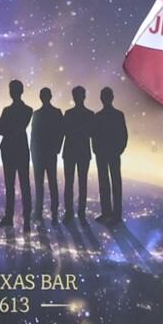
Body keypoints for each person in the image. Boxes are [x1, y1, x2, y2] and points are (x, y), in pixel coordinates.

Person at [0, 80, 33, 227]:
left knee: (12, 185)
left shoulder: (9, 111)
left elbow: (0, 129)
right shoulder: (27, 110)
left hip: (10, 150)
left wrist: (8, 128)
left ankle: (11, 217)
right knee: (22, 185)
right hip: (19, 150)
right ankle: (25, 220)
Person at [93, 87, 127, 225]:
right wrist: (97, 150)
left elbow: (123, 135)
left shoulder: (114, 115)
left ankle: (115, 215)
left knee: (112, 183)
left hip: (109, 153)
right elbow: (95, 136)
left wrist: (118, 150)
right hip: (105, 153)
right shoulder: (113, 115)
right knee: (107, 183)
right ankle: (108, 213)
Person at [30, 87, 63, 225]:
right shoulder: (56, 113)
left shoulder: (37, 114)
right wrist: (56, 149)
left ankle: (39, 213)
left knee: (40, 184)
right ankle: (53, 214)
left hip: (41, 153)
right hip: (48, 153)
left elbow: (34, 134)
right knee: (52, 183)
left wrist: (33, 151)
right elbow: (61, 132)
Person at [62, 86, 95, 223]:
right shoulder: (90, 114)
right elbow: (93, 133)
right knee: (82, 183)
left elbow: (64, 131)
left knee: (69, 183)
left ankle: (69, 214)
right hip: (83, 152)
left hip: (70, 151)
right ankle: (81, 214)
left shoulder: (68, 113)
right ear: (84, 96)